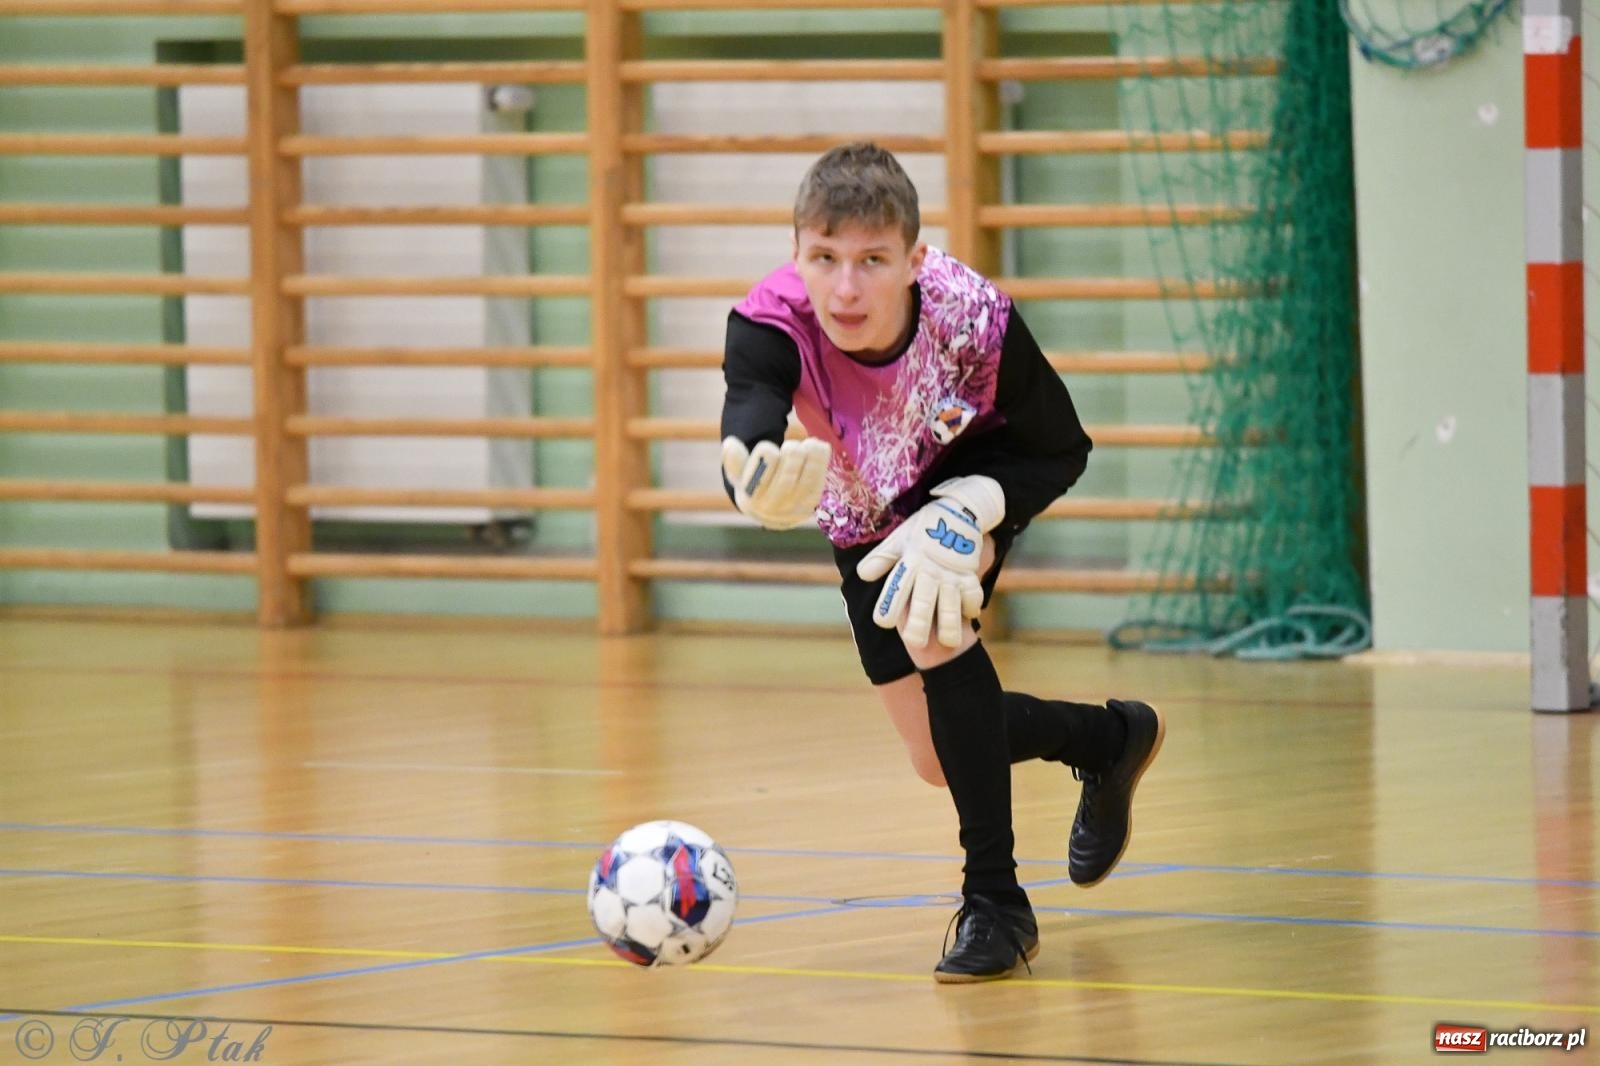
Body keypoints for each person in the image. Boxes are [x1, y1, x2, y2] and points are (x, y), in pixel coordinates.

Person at [717, 142, 1165, 983]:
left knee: (933, 619)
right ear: (797, 254)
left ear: (915, 260)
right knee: (937, 755)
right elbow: (749, 414)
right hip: (862, 512)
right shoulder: (770, 322)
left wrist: (970, 509)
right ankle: (1107, 737)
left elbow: (1061, 449)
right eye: (825, 259)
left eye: (872, 261)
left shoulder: (975, 319)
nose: (845, 287)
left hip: (971, 479)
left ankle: (996, 902)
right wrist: (750, 480)